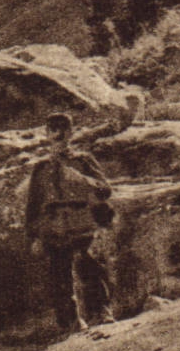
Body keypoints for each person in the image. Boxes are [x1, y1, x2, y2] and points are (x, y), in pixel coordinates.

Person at [23, 111, 115, 331]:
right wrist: (34, 236)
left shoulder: (82, 160)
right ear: (47, 134)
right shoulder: (41, 168)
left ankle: (101, 313)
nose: (59, 135)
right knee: (60, 274)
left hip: (82, 220)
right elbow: (33, 205)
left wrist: (81, 179)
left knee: (91, 268)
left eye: (63, 129)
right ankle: (71, 322)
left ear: (71, 132)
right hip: (54, 226)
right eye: (53, 130)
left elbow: (105, 189)